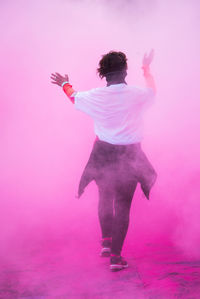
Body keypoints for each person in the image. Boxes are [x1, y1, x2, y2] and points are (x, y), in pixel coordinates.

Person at [50, 50, 157, 271]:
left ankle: (106, 243)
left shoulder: (94, 96)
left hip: (103, 155)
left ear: (103, 74)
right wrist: (146, 69)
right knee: (123, 206)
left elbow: (73, 96)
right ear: (125, 71)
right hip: (130, 156)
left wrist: (65, 84)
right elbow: (152, 92)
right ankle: (115, 257)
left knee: (105, 197)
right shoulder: (137, 94)